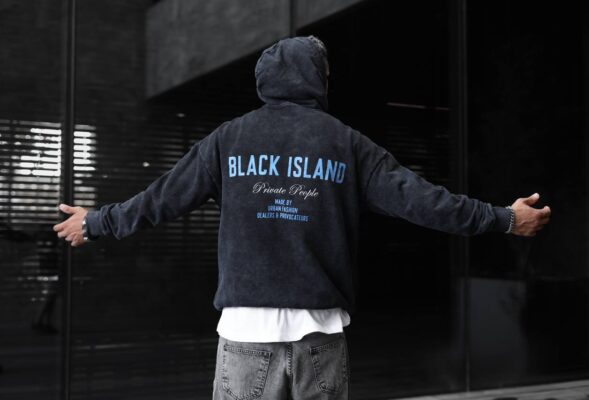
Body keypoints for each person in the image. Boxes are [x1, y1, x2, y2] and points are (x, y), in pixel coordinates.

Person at [53, 35, 551, 400]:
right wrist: (504, 219)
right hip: (320, 338)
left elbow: (162, 198)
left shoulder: (228, 139)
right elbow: (424, 201)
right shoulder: (346, 143)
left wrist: (96, 222)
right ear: (316, 80)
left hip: (246, 336)